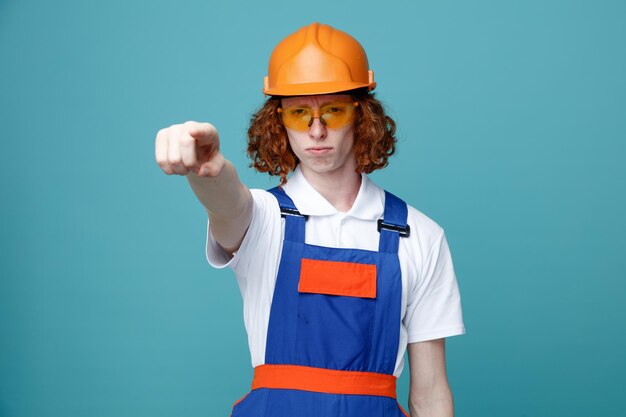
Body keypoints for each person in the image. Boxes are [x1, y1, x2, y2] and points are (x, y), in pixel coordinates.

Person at [155, 22, 465, 417]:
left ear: (361, 116)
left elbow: (431, 393)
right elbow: (226, 204)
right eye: (300, 113)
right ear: (279, 122)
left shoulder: (418, 235)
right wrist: (209, 169)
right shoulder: (263, 219)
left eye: (333, 111)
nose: (316, 131)